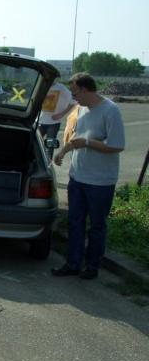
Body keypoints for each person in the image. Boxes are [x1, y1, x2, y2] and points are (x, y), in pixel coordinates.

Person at [51, 73, 125, 280]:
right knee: (75, 222)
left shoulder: (110, 111)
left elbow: (117, 145)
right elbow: (76, 137)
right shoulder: (81, 109)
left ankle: (92, 266)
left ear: (85, 89)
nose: (74, 99)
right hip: (78, 177)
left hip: (100, 182)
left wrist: (89, 144)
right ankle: (72, 263)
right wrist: (63, 151)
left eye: (75, 93)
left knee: (97, 225)